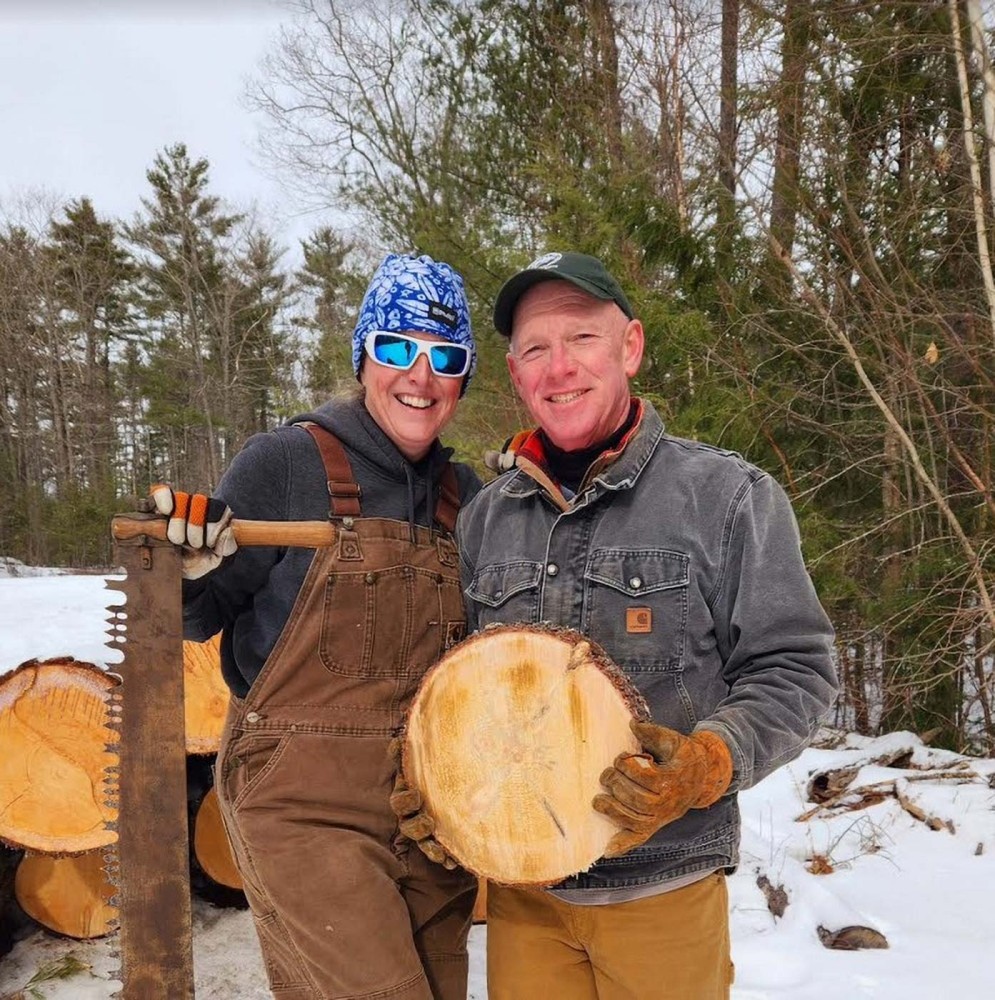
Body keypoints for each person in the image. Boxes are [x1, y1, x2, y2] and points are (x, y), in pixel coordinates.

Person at [408, 251, 839, 999]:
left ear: (629, 347)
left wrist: (709, 760)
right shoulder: (486, 520)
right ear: (515, 375)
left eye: (581, 338)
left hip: (662, 891)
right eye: (535, 349)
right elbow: (463, 693)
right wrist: (440, 785)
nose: (558, 367)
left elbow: (796, 669)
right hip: (523, 898)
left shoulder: (728, 498)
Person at [152, 253, 482, 1000]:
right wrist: (187, 567)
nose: (419, 376)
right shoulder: (287, 464)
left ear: (464, 377)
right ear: (363, 353)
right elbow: (196, 614)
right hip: (301, 799)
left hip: (429, 808)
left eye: (445, 356)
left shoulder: (468, 496)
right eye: (397, 347)